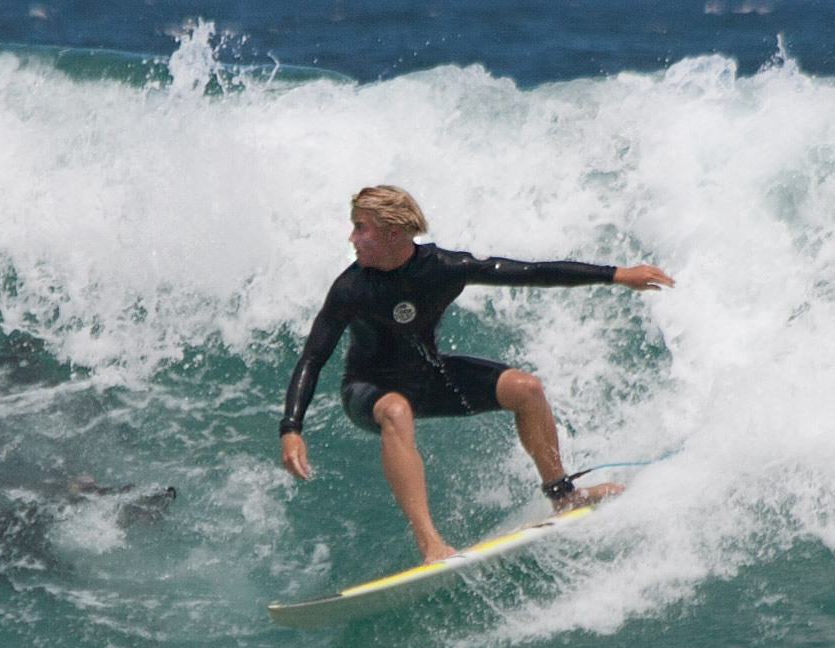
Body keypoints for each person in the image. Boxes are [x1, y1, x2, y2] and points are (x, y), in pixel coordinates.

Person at [279, 186, 674, 563]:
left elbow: (531, 273)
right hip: (369, 390)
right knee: (396, 411)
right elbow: (314, 358)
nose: (352, 238)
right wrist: (291, 427)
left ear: (392, 232)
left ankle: (563, 494)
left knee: (526, 388)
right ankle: (430, 542)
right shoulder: (350, 288)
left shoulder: (444, 268)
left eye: (360, 228)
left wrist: (616, 275)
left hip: (427, 376)